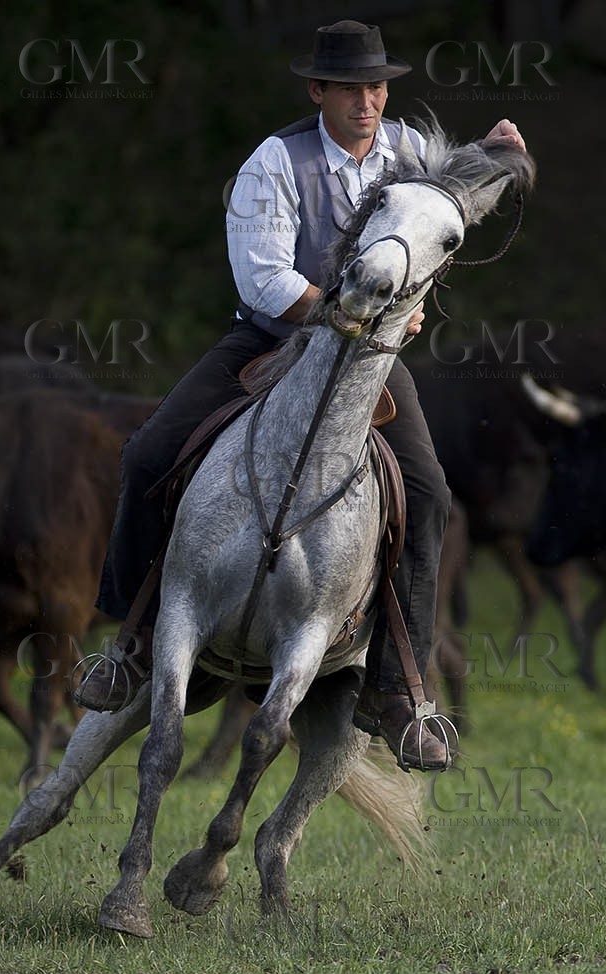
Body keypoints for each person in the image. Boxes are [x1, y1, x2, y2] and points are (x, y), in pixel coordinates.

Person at [75, 19, 528, 771]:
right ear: (318, 90)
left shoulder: (408, 151)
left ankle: (403, 693)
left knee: (430, 492)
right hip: (270, 339)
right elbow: (264, 279)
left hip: (370, 358)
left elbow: (456, 199)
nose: (369, 100)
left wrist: (498, 153)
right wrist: (346, 306)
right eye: (352, 87)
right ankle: (128, 644)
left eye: (378, 86)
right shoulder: (273, 163)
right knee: (150, 451)